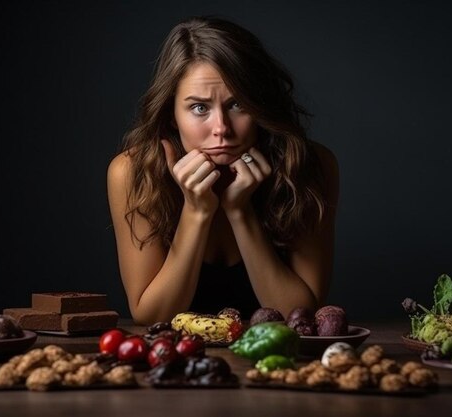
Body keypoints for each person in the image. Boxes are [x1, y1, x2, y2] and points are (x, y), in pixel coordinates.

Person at [107, 16, 339, 325]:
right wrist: (197, 212)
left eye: (238, 105)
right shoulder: (133, 173)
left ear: (260, 107)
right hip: (175, 365)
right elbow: (153, 315)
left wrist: (240, 212)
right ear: (172, 114)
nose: (221, 129)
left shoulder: (310, 166)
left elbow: (299, 318)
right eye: (199, 108)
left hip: (277, 362)